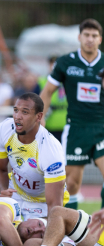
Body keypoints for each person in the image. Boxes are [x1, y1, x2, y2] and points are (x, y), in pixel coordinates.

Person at [40, 19, 104, 210]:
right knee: (72, 183)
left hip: (101, 127)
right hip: (76, 128)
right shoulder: (65, 63)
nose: (90, 39)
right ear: (79, 37)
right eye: (87, 35)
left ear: (100, 39)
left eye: (94, 36)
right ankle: (74, 229)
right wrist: (40, 116)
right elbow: (48, 91)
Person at [0, 92, 69, 221]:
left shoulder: (51, 149)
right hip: (14, 189)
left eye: (25, 112)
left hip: (41, 202)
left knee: (29, 238)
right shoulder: (4, 128)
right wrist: (4, 191)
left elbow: (54, 206)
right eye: (16, 110)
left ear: (38, 117)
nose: (17, 116)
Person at [5, 206, 103, 246]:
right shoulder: (63, 242)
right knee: (30, 245)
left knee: (57, 211)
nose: (36, 230)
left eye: (41, 225)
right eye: (41, 234)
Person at [38, 57, 68, 142]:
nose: (53, 66)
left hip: (67, 126)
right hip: (49, 126)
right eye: (51, 63)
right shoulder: (42, 81)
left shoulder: (68, 81)